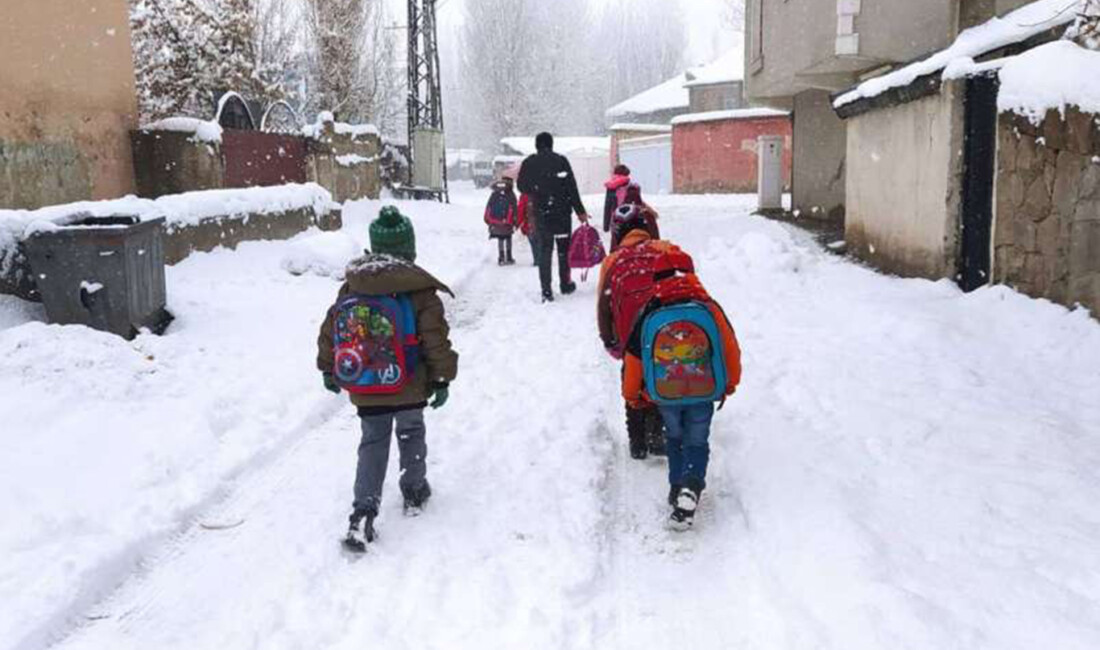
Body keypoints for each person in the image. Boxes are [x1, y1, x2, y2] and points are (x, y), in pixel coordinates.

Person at [316, 206, 459, 552]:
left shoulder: (355, 284)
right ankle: (413, 490)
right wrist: (441, 378)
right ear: (409, 248)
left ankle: (363, 509)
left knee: (372, 443)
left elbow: (331, 331)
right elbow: (435, 340)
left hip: (367, 384)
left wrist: (329, 369)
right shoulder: (420, 290)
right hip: (409, 382)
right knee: (411, 432)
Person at [597, 208, 741, 529]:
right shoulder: (707, 307)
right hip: (704, 392)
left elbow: (634, 359)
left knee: (674, 439)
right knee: (697, 442)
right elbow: (729, 347)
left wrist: (633, 395)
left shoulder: (651, 312)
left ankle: (677, 488)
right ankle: (691, 484)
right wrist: (728, 383)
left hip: (666, 394)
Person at [517, 132, 590, 302]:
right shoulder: (561, 161)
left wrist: (536, 190)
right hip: (562, 214)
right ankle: (565, 284)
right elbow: (572, 188)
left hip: (542, 214)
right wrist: (580, 211)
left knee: (545, 250)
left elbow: (521, 186)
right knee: (564, 251)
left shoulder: (529, 163)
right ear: (551, 144)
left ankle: (546, 291)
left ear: (537, 145)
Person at [609, 182, 660, 251]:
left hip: (622, 254)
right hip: (646, 252)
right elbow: (655, 236)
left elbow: (614, 240)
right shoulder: (647, 213)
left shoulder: (618, 213)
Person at [484, 178, 518, 265]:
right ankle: (509, 257)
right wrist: (515, 220)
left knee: (500, 238)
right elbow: (514, 208)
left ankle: (501, 257)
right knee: (508, 237)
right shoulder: (510, 194)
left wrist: (488, 220)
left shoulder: (495, 193)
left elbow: (489, 206)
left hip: (496, 221)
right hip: (507, 221)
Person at [603, 164, 632, 234]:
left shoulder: (610, 185)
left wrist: (606, 226)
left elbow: (607, 207)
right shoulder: (628, 184)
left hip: (615, 218)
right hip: (626, 216)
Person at [517, 191, 540, 266]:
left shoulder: (524, 195)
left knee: (533, 242)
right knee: (541, 242)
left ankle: (537, 260)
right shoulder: (543, 191)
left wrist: (519, 223)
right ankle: (542, 260)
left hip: (529, 224)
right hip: (542, 223)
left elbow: (520, 210)